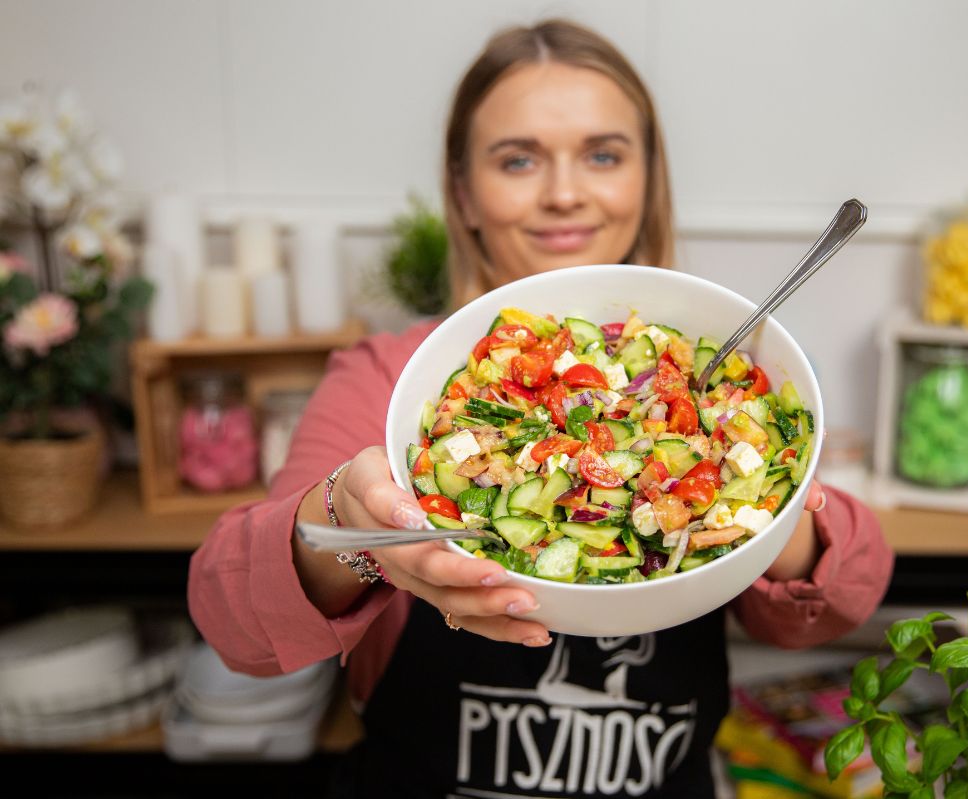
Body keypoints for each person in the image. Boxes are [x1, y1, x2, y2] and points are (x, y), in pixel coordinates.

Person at [188, 19, 893, 799]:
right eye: (518, 159)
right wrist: (348, 528)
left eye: (603, 154)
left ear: (647, 180)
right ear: (464, 192)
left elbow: (851, 593)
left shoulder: (728, 373)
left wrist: (762, 520)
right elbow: (230, 620)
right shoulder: (386, 377)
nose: (564, 191)